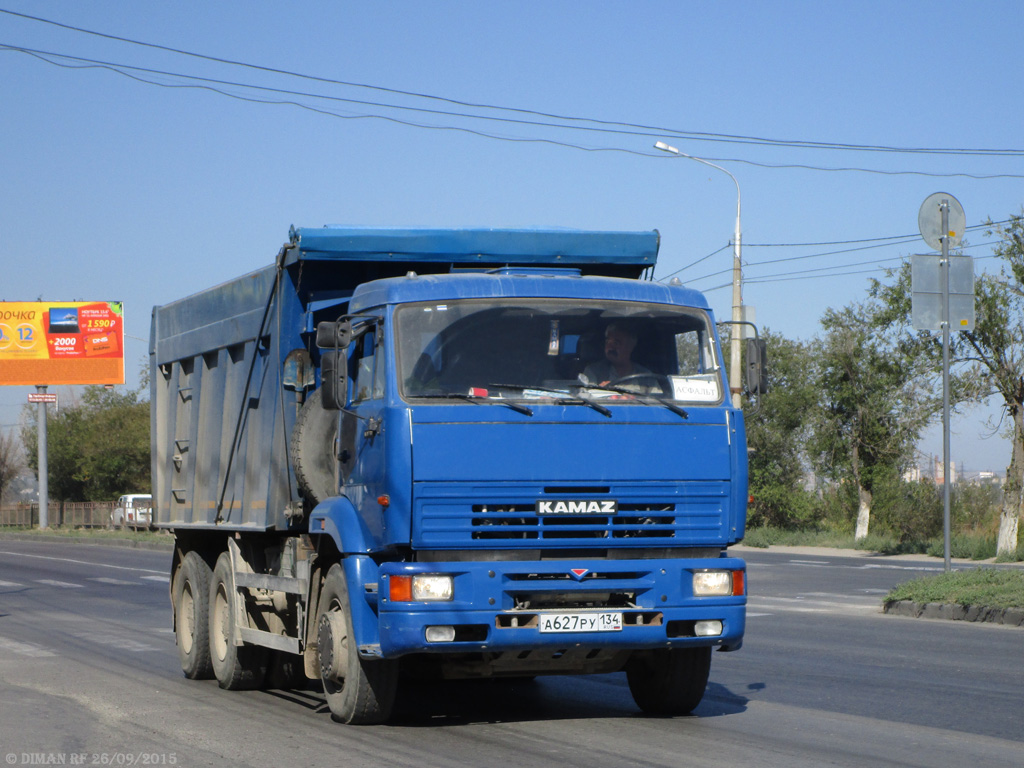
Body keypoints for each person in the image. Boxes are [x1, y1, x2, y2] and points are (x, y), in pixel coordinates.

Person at [581, 322, 652, 388]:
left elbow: (657, 398)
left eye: (616, 343)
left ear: (630, 347)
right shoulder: (593, 371)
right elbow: (586, 397)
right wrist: (600, 391)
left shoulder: (645, 376)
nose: (609, 347)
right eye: (607, 342)